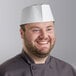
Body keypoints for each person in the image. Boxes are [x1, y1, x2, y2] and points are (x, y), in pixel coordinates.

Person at [0, 4, 76, 76]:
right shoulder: (5, 72)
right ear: (22, 33)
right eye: (36, 30)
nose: (44, 36)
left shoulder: (68, 71)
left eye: (49, 29)